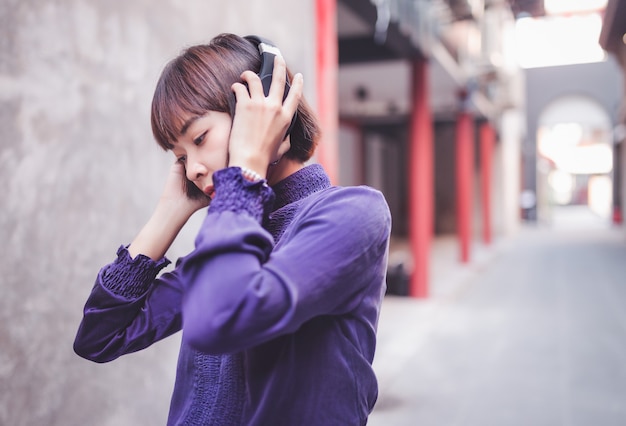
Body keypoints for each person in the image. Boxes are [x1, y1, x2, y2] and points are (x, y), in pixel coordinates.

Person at [74, 33, 392, 426]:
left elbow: (222, 318)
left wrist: (245, 170)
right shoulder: (233, 238)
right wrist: (167, 214)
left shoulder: (353, 214)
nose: (191, 169)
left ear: (261, 114)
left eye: (200, 139)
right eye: (180, 157)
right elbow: (100, 337)